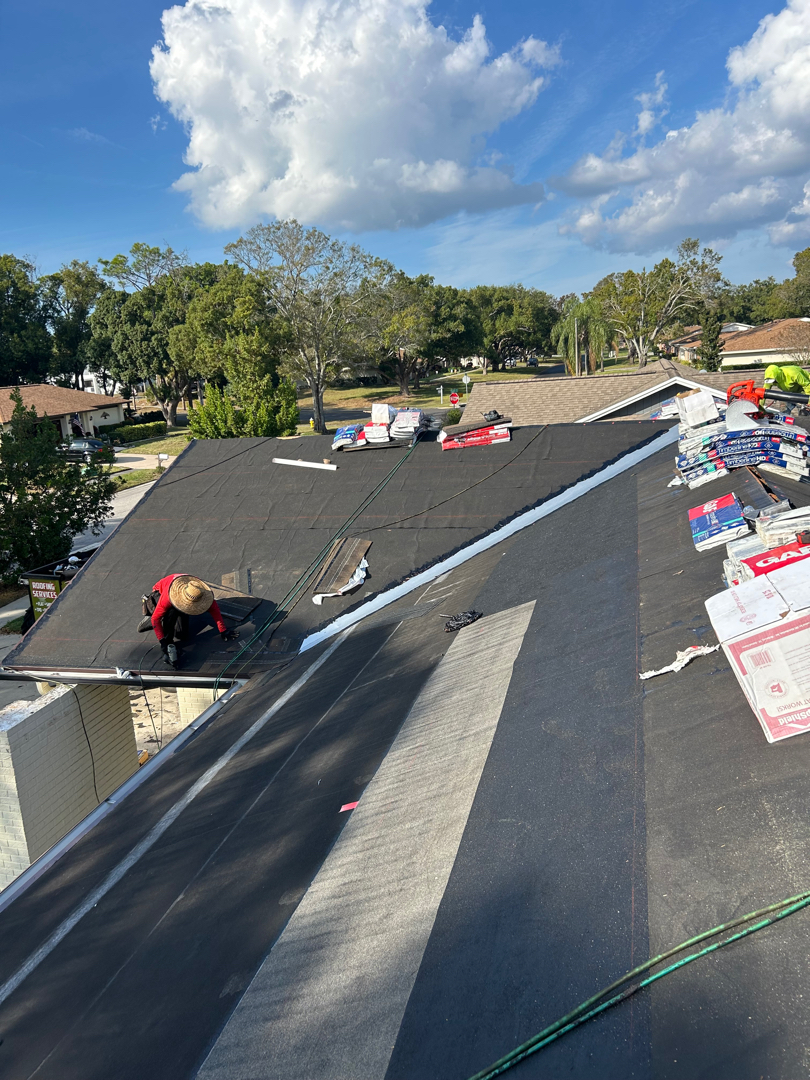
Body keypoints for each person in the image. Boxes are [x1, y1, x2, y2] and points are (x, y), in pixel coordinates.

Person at [139, 574, 238, 668]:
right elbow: (155, 619)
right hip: (159, 593)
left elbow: (214, 611)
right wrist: (163, 642)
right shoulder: (169, 596)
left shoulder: (203, 593)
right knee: (171, 612)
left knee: (181, 635)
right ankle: (153, 610)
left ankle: (162, 615)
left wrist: (223, 631)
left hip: (178, 596)